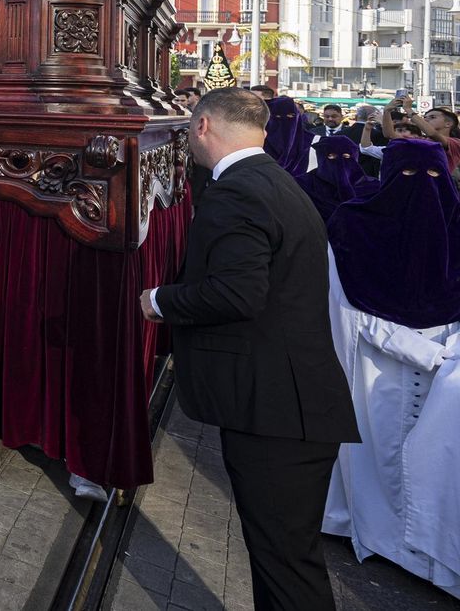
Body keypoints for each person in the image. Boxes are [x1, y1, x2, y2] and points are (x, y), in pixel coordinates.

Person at [139, 87, 358, 611]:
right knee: (284, 560)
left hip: (277, 412)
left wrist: (158, 301)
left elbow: (237, 292)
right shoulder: (272, 179)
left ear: (203, 127)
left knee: (285, 567)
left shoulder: (238, 190)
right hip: (290, 406)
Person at [322, 138, 460, 597]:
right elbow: (348, 312)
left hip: (449, 370)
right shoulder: (354, 228)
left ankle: (429, 553)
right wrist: (427, 354)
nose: (423, 189)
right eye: (407, 177)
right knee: (378, 455)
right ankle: (379, 535)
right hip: (376, 370)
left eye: (435, 177)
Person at [298, 135, 376, 224]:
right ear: (321, 157)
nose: (340, 163)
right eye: (331, 156)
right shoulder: (303, 184)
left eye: (346, 156)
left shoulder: (371, 188)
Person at [262, 94, 311, 177]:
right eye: (277, 116)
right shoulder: (257, 142)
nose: (284, 119)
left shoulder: (312, 142)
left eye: (290, 115)